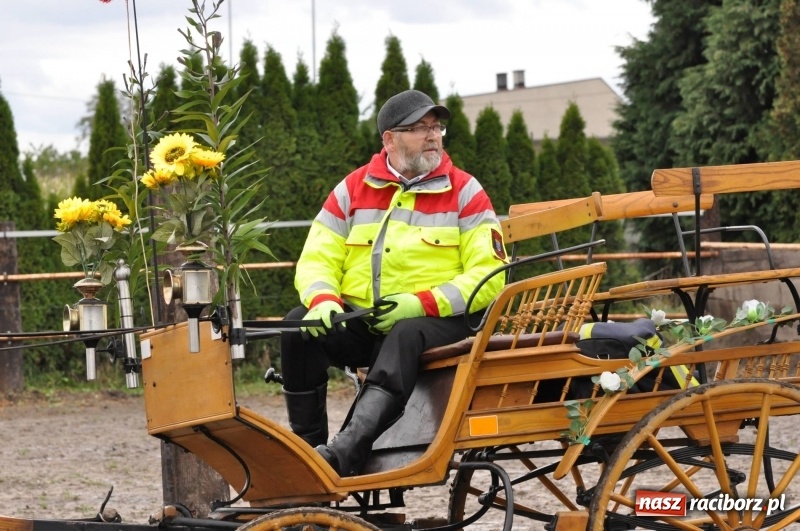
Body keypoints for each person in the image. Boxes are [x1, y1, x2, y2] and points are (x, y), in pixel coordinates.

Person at [280, 89, 507, 477]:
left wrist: (420, 303)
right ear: (389, 139)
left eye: (436, 127)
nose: (433, 135)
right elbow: (317, 256)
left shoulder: (465, 190)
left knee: (404, 332)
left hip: (447, 321)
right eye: (420, 128)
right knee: (296, 325)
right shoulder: (351, 188)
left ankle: (345, 452)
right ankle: (307, 456)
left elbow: (491, 274)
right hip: (369, 321)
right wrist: (321, 300)